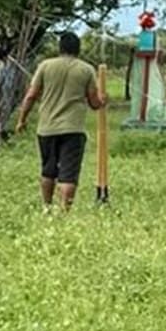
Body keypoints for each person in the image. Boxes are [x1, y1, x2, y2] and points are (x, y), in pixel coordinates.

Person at [14, 31, 108, 211]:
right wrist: (103, 100)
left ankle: (47, 206)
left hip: (46, 128)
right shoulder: (86, 69)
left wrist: (22, 119)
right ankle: (65, 211)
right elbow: (94, 103)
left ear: (60, 48)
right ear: (78, 49)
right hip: (73, 128)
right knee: (69, 174)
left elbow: (31, 95)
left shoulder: (45, 66)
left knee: (48, 170)